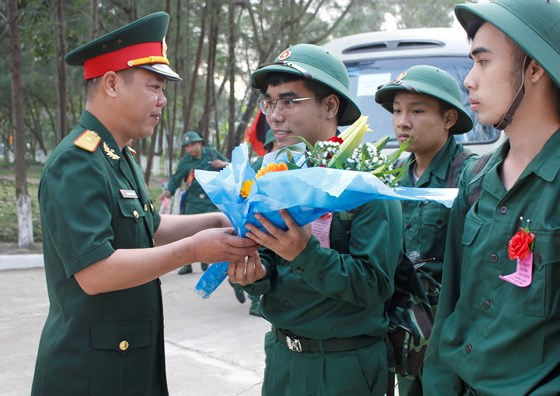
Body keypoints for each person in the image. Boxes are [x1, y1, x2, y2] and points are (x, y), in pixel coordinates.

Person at [31, 12, 258, 396]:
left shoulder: (120, 157)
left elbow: (150, 228)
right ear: (112, 84)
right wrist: (193, 250)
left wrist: (220, 219)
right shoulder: (76, 161)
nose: (162, 100)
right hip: (89, 372)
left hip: (128, 359)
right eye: (154, 87)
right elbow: (96, 272)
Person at [228, 43, 404, 395]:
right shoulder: (275, 177)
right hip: (282, 359)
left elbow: (374, 285)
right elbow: (268, 268)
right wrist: (254, 274)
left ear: (330, 105)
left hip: (343, 367)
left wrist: (305, 254)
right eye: (270, 102)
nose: (274, 116)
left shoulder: (364, 184)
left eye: (289, 102)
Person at [423, 1, 560, 395]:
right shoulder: (476, 178)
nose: (468, 80)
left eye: (482, 62)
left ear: (534, 68)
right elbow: (452, 305)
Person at [375, 65, 477, 395]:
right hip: (406, 332)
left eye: (417, 111)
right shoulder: (390, 177)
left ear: (448, 119)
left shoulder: (470, 176)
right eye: (397, 111)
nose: (402, 122)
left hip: (452, 336)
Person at [162, 130, 229, 274]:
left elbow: (231, 167)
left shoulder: (212, 153)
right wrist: (168, 192)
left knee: (210, 230)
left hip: (211, 200)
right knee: (189, 232)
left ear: (200, 143)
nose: (190, 149)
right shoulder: (185, 161)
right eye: (187, 146)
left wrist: (222, 163)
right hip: (192, 200)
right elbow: (176, 178)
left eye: (192, 144)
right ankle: (187, 264)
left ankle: (205, 260)